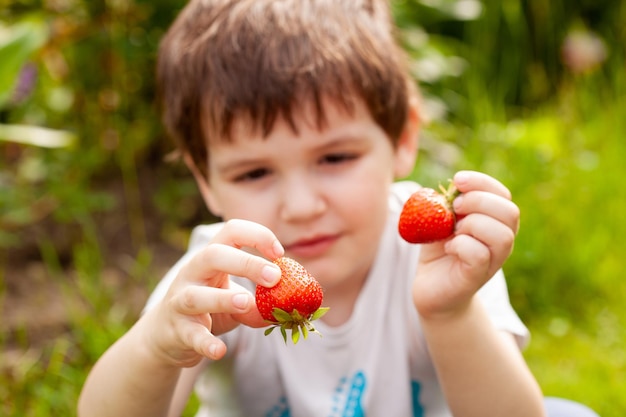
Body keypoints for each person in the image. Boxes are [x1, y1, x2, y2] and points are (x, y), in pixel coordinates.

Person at [78, 1, 599, 416]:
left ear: (402, 137)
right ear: (205, 180)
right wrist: (156, 349)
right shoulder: (220, 277)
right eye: (254, 173)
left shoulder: (440, 255)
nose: (302, 206)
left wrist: (449, 312)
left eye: (335, 157)